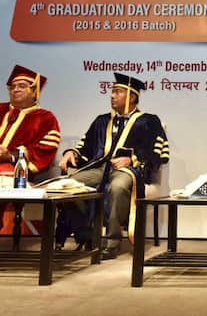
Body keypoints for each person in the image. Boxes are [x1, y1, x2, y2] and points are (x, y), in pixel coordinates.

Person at [58, 73, 169, 259]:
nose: (112, 95)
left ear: (132, 97)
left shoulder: (149, 120)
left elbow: (157, 152)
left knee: (117, 187)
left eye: (118, 92)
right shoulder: (102, 120)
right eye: (112, 91)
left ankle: (112, 243)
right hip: (100, 168)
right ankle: (86, 233)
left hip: (128, 170)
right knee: (69, 185)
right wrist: (71, 153)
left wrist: (132, 159)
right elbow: (85, 146)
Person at [0, 65, 61, 230]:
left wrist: (10, 155)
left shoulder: (46, 118)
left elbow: (46, 148)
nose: (15, 90)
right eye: (12, 87)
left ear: (35, 92)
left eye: (22, 86)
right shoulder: (0, 109)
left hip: (18, 169)